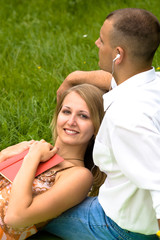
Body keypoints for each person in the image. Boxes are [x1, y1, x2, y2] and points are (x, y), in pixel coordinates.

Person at [44, 8, 160, 240]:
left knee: (29, 204)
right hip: (133, 214)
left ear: (118, 54)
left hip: (118, 228)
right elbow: (114, 80)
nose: (97, 42)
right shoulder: (152, 83)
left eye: (102, 40)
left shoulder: (126, 118)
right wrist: (74, 77)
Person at [0, 83, 105, 239]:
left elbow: (15, 217)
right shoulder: (33, 148)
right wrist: (5, 154)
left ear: (96, 128)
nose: (71, 121)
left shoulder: (78, 176)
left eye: (83, 116)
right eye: (66, 111)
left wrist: (32, 159)